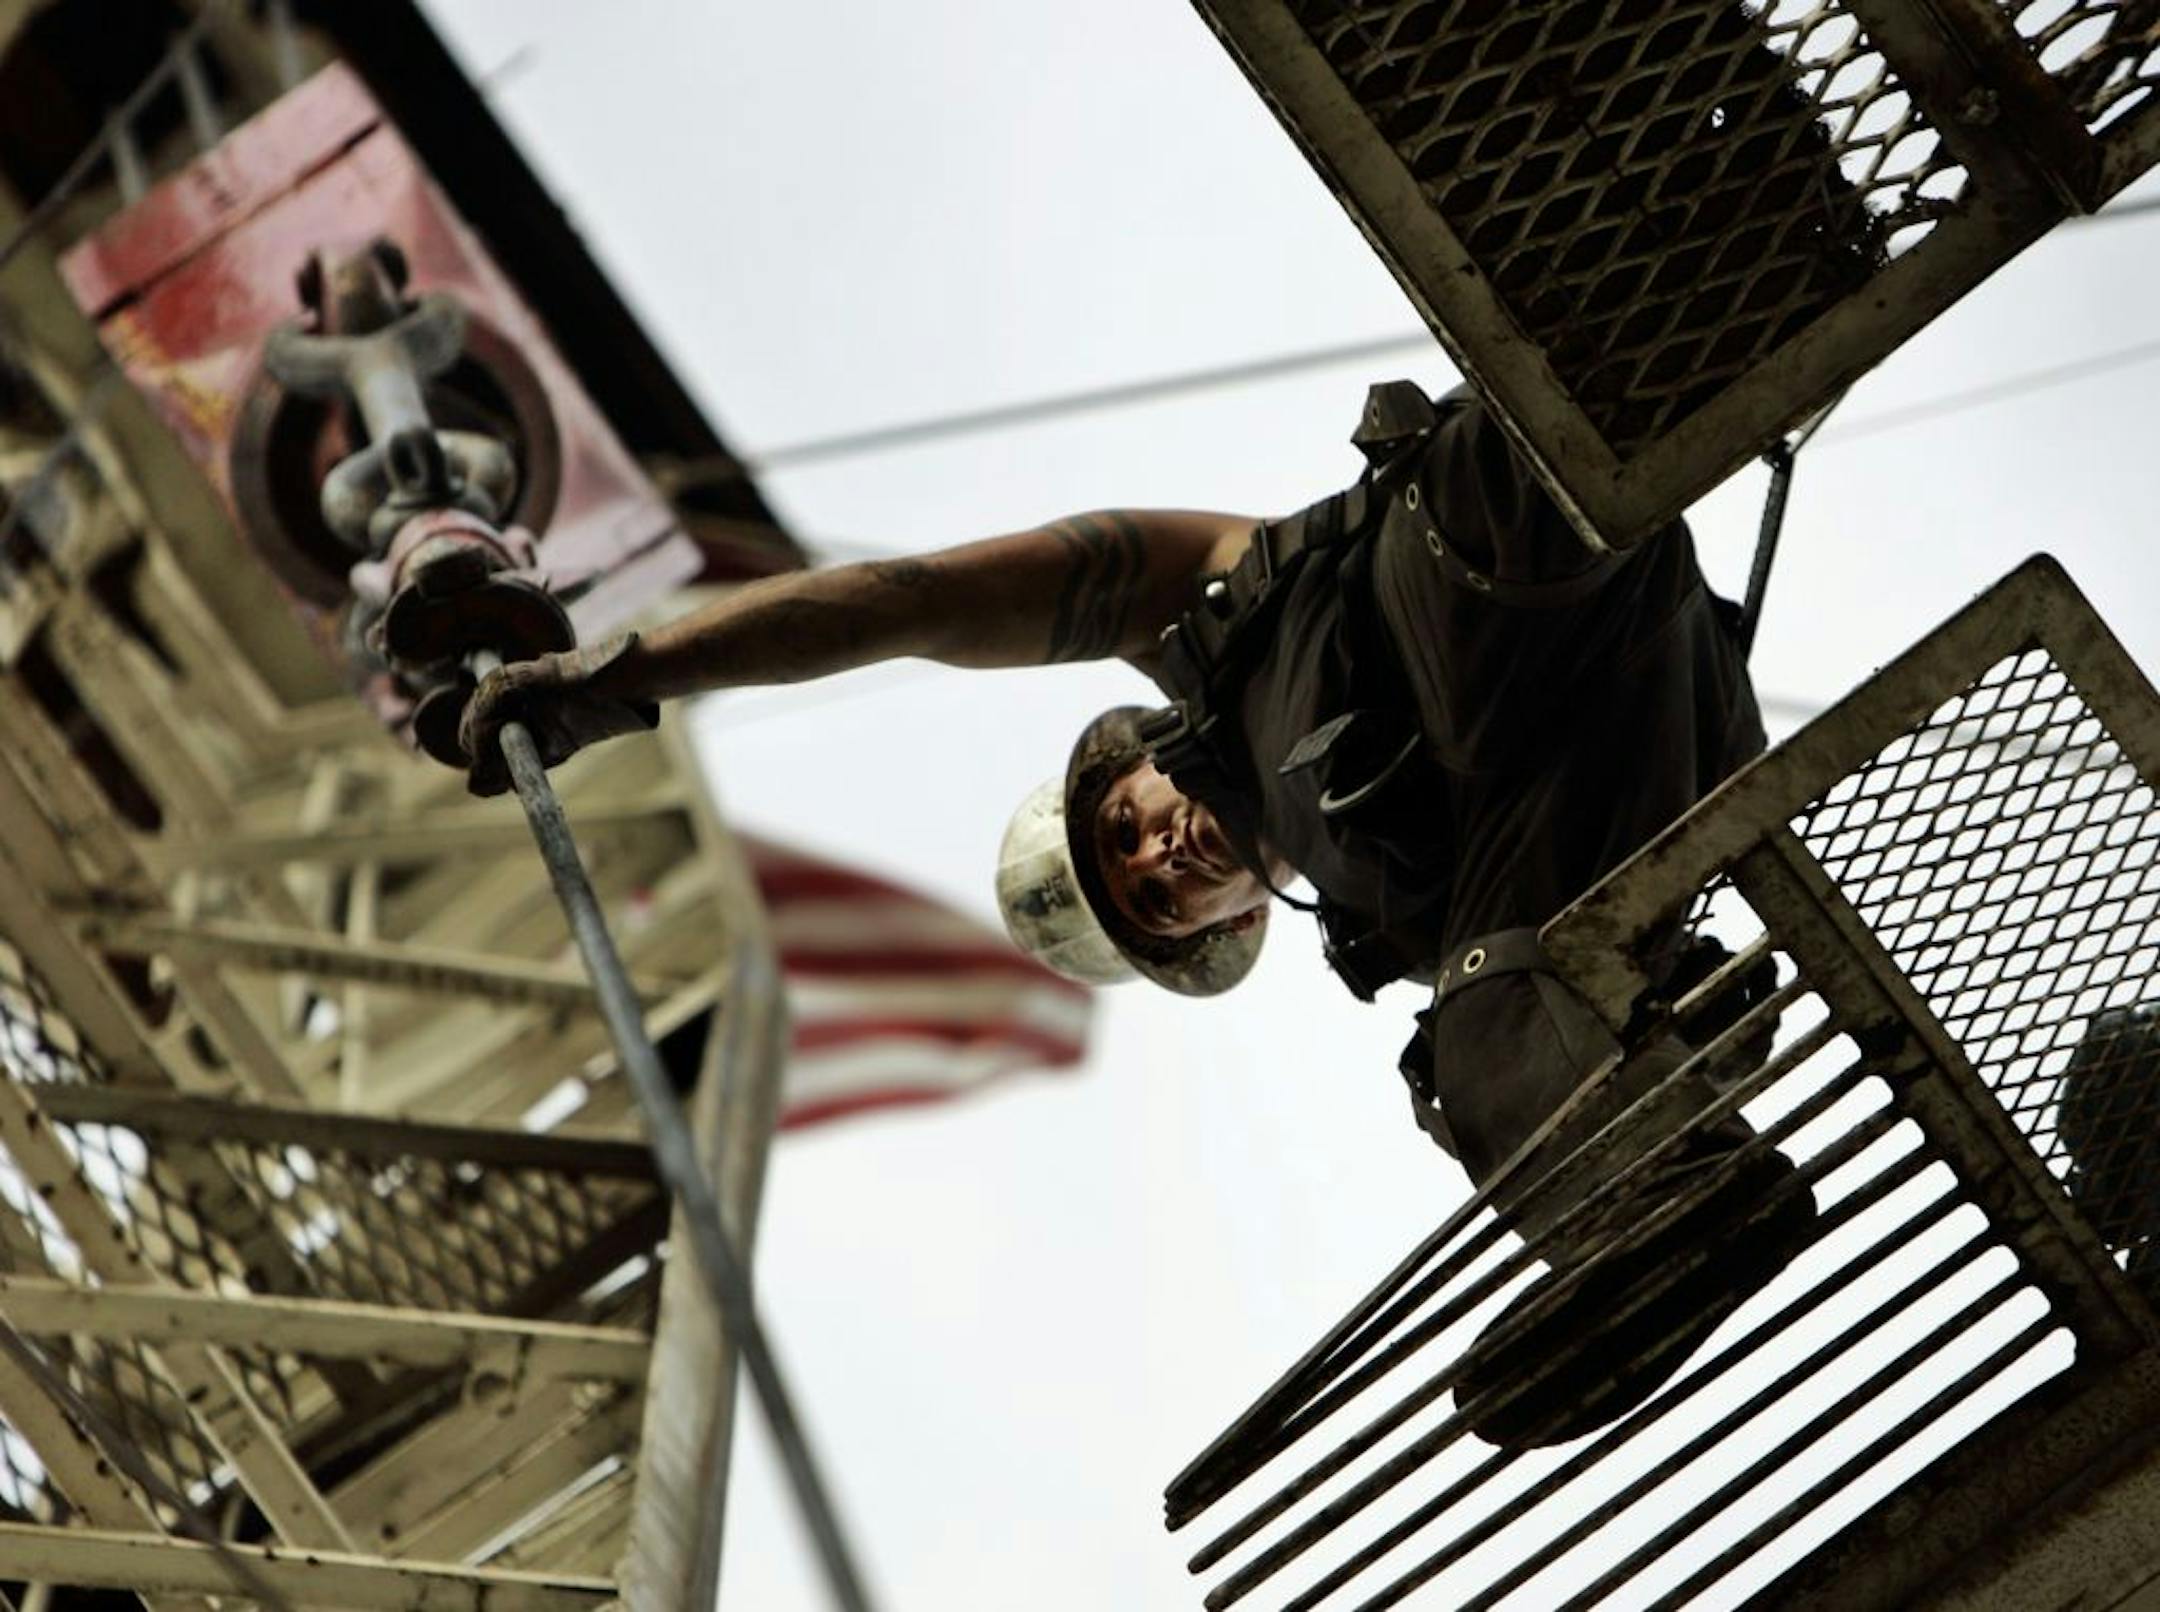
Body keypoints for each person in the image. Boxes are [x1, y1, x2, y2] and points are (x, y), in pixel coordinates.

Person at [459, 379, 1818, 1447]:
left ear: (1141, 755)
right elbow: (1592, 975)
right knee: (1475, 1046)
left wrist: (631, 672)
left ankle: (1662, 259)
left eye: (1128, 829)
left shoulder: (1207, 613)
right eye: (1160, 898)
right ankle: (1681, 1209)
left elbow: (913, 606)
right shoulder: (1399, 916)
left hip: (1511, 536)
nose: (1164, 853)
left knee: (1500, 515)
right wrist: (1685, 1032)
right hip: (1646, 745)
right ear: (1225, 923)